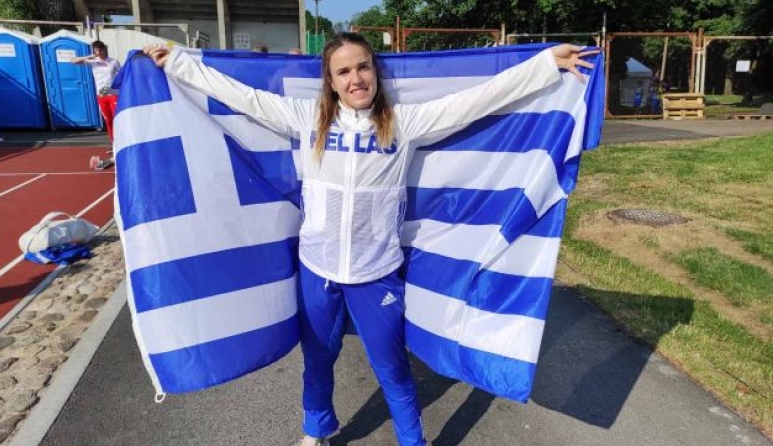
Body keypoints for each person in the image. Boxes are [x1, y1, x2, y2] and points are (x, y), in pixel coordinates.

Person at [144, 33, 597, 446]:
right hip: (318, 271)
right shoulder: (307, 118)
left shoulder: (403, 123)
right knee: (317, 362)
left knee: (393, 370)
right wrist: (177, 63)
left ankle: (412, 441)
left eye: (363, 67)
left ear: (375, 72)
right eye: (343, 71)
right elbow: (242, 96)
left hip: (376, 275)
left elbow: (477, 100)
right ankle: (316, 430)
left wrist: (544, 65)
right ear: (330, 81)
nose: (356, 78)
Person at [73, 40, 120, 169]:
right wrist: (89, 56)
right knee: (108, 121)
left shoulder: (113, 62)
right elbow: (73, 61)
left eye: (100, 49)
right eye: (96, 50)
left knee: (116, 120)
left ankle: (120, 144)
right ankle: (114, 145)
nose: (99, 52)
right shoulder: (93, 61)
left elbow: (122, 75)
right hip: (101, 96)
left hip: (112, 94)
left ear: (105, 49)